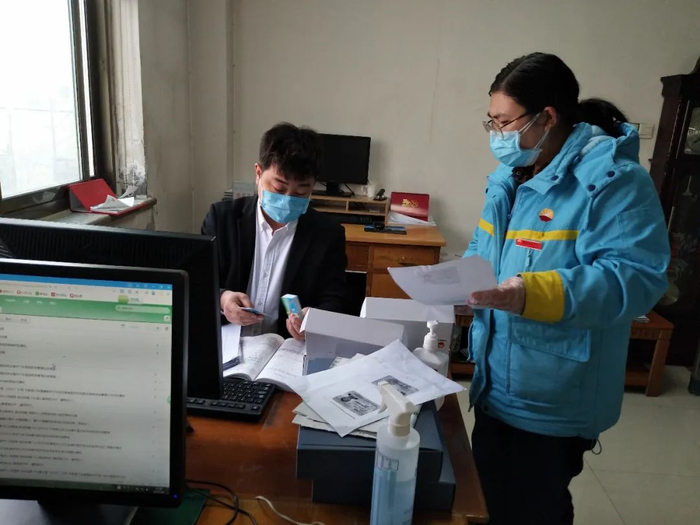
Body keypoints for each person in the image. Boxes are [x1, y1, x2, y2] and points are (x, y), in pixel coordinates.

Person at [463, 53, 669, 525]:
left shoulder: (612, 181)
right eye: (491, 122)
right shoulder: (509, 178)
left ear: (548, 117)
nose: (497, 134)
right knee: (489, 497)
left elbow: (635, 278)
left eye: (504, 122)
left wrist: (528, 293)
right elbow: (483, 248)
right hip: (496, 380)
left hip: (552, 392)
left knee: (534, 507)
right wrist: (458, 282)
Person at [202, 122, 347, 341]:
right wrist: (223, 299)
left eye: (300, 193)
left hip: (287, 347)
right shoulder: (222, 219)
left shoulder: (327, 234)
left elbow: (335, 299)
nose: (288, 199)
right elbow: (199, 283)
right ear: (258, 173)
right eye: (279, 188)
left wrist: (315, 319)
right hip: (228, 343)